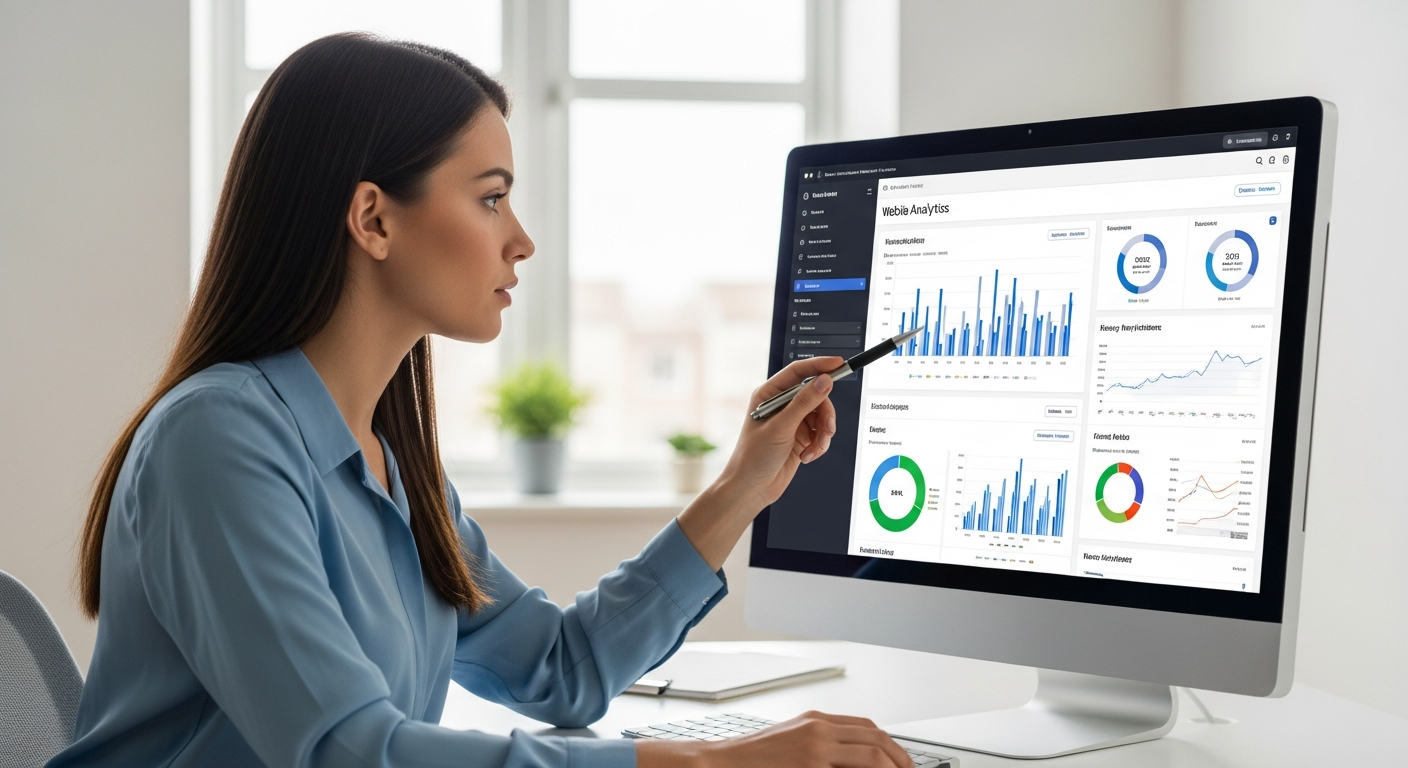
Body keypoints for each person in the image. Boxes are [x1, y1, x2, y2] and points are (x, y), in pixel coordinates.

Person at [49, 34, 914, 768]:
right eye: (491, 198)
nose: (522, 240)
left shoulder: (389, 468)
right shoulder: (218, 440)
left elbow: (564, 669)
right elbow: (350, 752)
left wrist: (743, 486)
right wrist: (703, 763)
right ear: (374, 220)